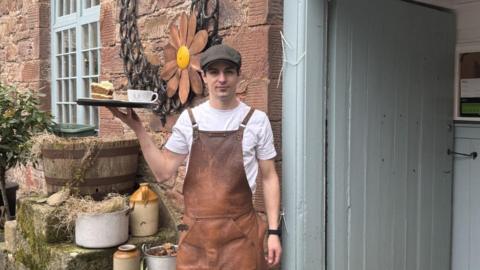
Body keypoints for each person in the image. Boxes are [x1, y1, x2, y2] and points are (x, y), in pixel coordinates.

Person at [108, 44, 282, 269]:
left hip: (241, 238)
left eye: (228, 71)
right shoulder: (190, 120)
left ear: (239, 76)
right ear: (204, 76)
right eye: (214, 72)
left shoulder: (257, 121)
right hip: (195, 240)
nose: (222, 78)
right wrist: (138, 129)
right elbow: (163, 172)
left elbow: (269, 177)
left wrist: (274, 232)